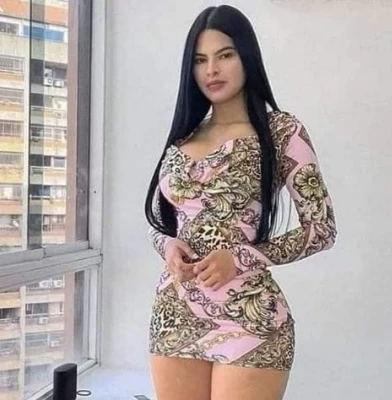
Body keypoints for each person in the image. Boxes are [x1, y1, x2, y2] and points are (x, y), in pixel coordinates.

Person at [144, 5, 337, 400]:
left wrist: (239, 257)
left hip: (251, 320)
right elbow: (163, 224)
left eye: (225, 55)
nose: (212, 70)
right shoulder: (183, 137)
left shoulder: (282, 131)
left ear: (247, 56)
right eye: (200, 60)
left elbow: (322, 230)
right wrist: (168, 246)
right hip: (174, 314)